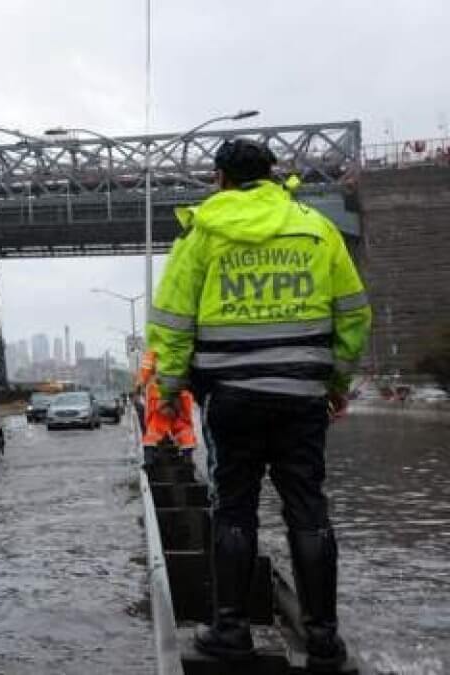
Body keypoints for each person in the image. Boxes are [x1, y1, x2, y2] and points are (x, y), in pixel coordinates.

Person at [146, 138, 371, 671]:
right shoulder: (316, 230)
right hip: (301, 399)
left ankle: (231, 632)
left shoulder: (203, 233)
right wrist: (336, 382)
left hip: (231, 399)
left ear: (218, 178)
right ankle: (323, 641)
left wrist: (173, 392)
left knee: (233, 509)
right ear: (275, 176)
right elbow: (354, 316)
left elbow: (171, 323)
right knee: (309, 511)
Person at [136, 350, 197, 467]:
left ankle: (149, 458)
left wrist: (140, 384)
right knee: (184, 426)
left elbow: (146, 367)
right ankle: (187, 457)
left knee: (154, 426)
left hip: (159, 391)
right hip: (182, 391)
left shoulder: (157, 343)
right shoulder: (185, 343)